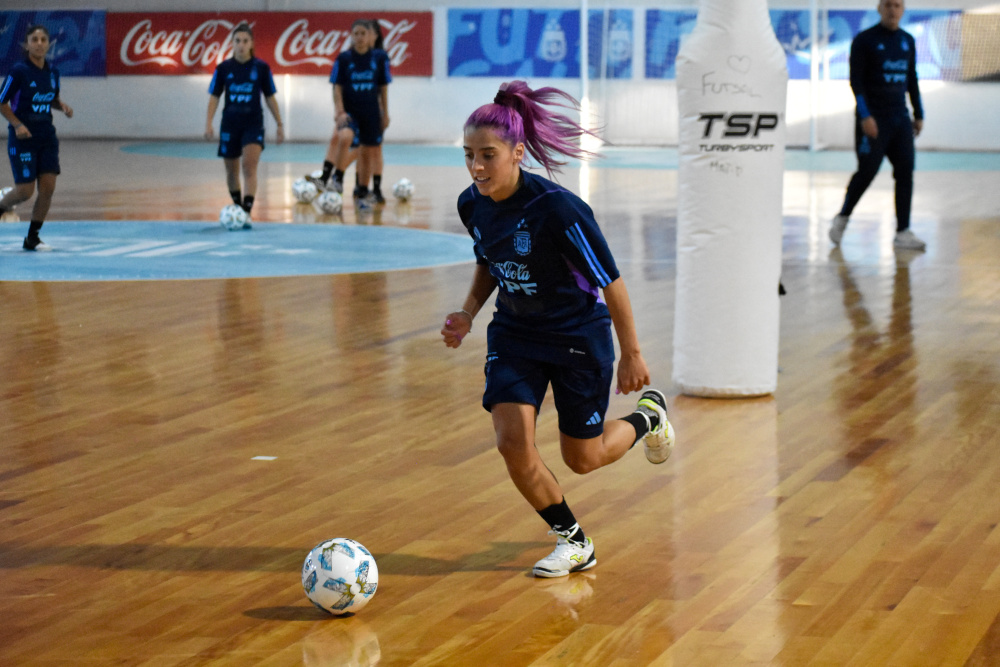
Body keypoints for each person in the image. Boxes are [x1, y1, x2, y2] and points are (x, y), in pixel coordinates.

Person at [440, 81, 675, 578]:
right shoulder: (472, 204)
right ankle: (574, 541)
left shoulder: (558, 209)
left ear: (517, 153)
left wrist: (632, 353)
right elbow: (489, 261)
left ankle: (648, 417)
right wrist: (468, 313)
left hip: (576, 337)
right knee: (511, 442)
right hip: (514, 334)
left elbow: (611, 282)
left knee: (583, 458)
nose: (476, 167)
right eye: (468, 155)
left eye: (487, 155)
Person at [830, 0, 926, 251]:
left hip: (900, 119)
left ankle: (903, 231)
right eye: (888, 5)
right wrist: (865, 116)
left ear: (903, 10)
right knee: (867, 171)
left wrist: (918, 113)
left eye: (897, 5)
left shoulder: (907, 41)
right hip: (874, 119)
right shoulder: (865, 40)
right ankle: (842, 217)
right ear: (879, 9)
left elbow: (911, 79)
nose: (893, 10)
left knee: (905, 172)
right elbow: (856, 82)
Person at [0, 24, 74, 251]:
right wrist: (18, 125)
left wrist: (61, 106)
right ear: (27, 45)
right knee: (25, 191)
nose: (39, 44)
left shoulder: (53, 73)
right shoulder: (19, 71)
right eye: (35, 40)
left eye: (43, 40)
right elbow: (2, 102)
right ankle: (2, 204)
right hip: (23, 138)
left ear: (49, 44)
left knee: (48, 188)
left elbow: (51, 98)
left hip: (47, 137)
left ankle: (32, 238)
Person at [204, 22, 284, 227]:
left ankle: (246, 211)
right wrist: (208, 122)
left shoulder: (261, 68)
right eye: (237, 41)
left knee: (249, 166)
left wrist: (279, 123)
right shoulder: (223, 69)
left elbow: (270, 97)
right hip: (230, 124)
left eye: (245, 41)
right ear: (232, 43)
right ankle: (238, 206)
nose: (241, 45)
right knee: (231, 171)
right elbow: (214, 97)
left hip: (253, 123)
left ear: (251, 43)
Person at [306, 20, 391, 209]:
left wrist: (385, 113)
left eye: (364, 33)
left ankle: (365, 191)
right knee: (343, 137)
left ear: (373, 36)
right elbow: (337, 87)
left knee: (368, 152)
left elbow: (383, 88)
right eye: (356, 33)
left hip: (371, 113)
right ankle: (335, 177)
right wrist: (339, 110)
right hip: (350, 112)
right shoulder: (345, 58)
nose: (360, 37)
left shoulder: (379, 57)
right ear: (351, 35)